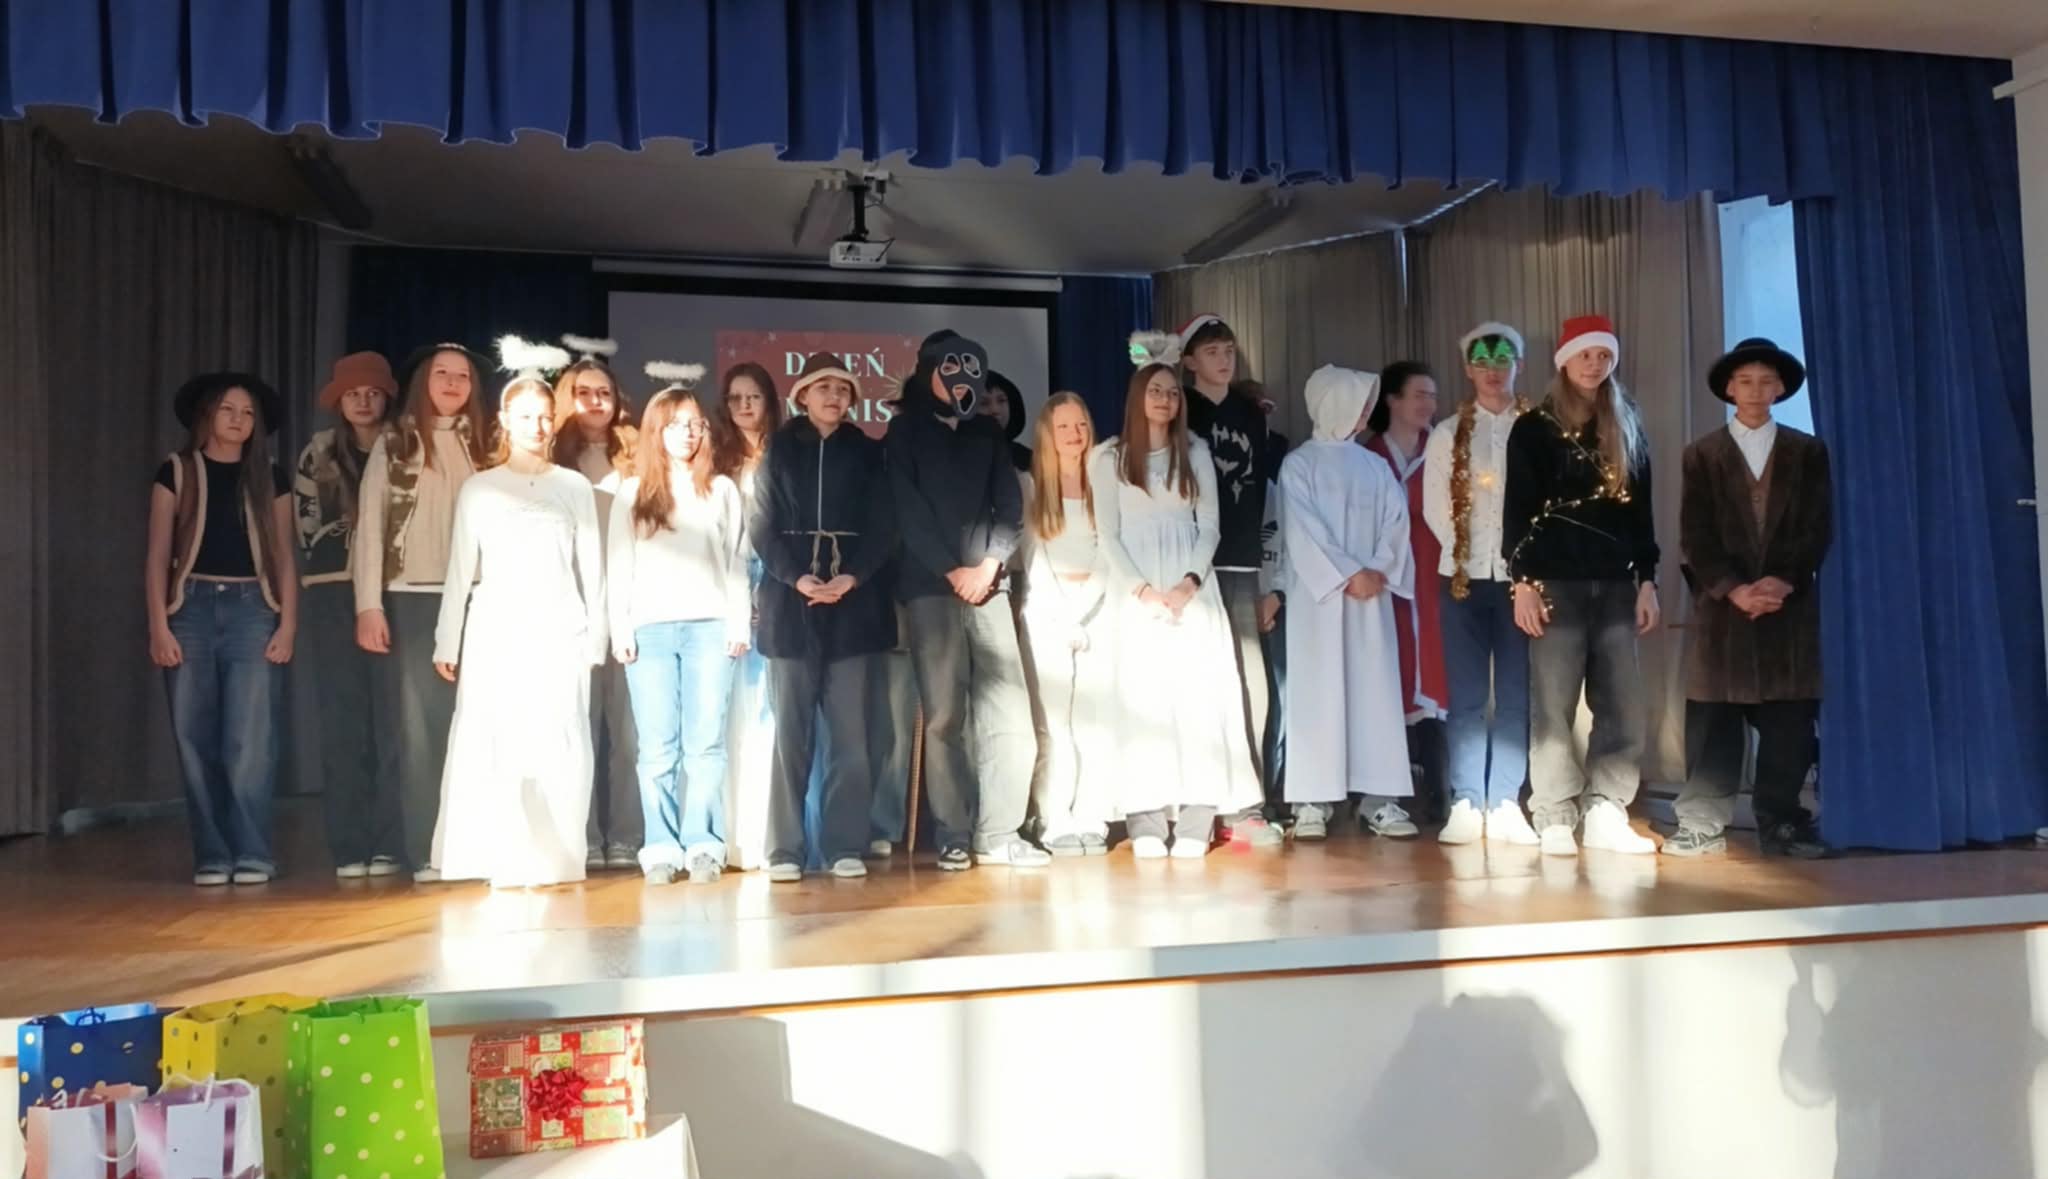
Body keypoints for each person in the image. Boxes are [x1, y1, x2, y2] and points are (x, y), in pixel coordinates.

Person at [427, 336, 606, 887]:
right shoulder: (481, 489)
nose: (536, 426)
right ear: (505, 420)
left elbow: (592, 569)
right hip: (497, 630)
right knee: (500, 741)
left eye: (544, 416)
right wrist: (447, 641)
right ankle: (503, 857)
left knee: (558, 739)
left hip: (559, 628)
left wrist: (595, 637)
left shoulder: (573, 486)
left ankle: (556, 858)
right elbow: (461, 570)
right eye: (524, 416)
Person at [885, 330, 1048, 870]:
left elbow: (1009, 506)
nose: (963, 381)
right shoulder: (904, 431)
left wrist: (990, 565)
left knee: (1010, 713)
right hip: (931, 590)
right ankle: (954, 832)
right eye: (950, 370)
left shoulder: (986, 433)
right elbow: (906, 510)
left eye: (971, 370)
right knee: (944, 717)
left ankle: (999, 831)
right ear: (928, 371)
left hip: (989, 588)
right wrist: (951, 570)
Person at [1091, 353, 1263, 858]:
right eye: (1156, 391)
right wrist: (1142, 590)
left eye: (1172, 392)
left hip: (1192, 589)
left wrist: (1189, 583)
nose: (1165, 400)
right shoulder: (1110, 458)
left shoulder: (1196, 451)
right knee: (1142, 700)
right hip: (1135, 594)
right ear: (1137, 398)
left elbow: (1209, 525)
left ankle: (1196, 820)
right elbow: (1108, 534)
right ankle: (1145, 818)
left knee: (1197, 700)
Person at [1504, 315, 1660, 856]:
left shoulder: (1627, 423)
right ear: (1565, 360)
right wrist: (1523, 582)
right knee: (1553, 705)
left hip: (1615, 584)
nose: (1595, 364)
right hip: (1554, 583)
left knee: (1621, 702)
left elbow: (1642, 513)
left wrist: (1647, 580)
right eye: (1585, 354)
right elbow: (1518, 512)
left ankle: (1606, 809)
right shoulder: (1535, 428)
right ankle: (1553, 812)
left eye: (1603, 356)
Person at [1668, 338, 1831, 859]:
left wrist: (1784, 580)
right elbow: (1694, 534)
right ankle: (1701, 824)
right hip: (1724, 609)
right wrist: (1734, 588)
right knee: (1715, 720)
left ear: (1780, 388)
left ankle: (1782, 821)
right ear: (1729, 389)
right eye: (1745, 381)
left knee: (1788, 722)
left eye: (1765, 381)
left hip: (1788, 607)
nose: (1755, 391)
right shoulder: (1702, 454)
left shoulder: (1807, 452)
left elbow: (1817, 526)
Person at [146, 373, 297, 886]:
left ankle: (253, 852)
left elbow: (284, 556)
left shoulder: (270, 477)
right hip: (189, 609)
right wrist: (159, 625)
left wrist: (287, 623)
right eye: (229, 409)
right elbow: (157, 555)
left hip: (253, 609)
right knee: (194, 736)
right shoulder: (176, 471)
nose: (239, 420)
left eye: (248, 413)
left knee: (249, 739)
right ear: (207, 414)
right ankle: (212, 853)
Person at [752, 354, 899, 881]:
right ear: (802, 396)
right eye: (823, 388)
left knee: (850, 736)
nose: (834, 396)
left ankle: (843, 845)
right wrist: (795, 577)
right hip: (790, 606)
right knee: (790, 736)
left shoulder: (867, 451)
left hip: (853, 607)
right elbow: (762, 524)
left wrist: (852, 576)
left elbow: (885, 525)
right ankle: (785, 850)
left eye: (842, 389)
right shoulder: (779, 449)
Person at [353, 342, 490, 879]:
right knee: (419, 731)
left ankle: (475, 843)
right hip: (412, 596)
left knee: (477, 724)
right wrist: (369, 605)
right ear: (423, 382)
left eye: (463, 376)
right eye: (442, 374)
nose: (453, 384)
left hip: (479, 598)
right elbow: (371, 527)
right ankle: (425, 848)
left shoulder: (488, 442)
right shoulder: (396, 441)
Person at [609, 364, 750, 885]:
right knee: (657, 749)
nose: (688, 433)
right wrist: (620, 629)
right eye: (676, 424)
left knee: (705, 745)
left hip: (710, 627)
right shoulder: (632, 493)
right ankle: (661, 848)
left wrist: (739, 622)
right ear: (656, 431)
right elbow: (618, 565)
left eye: (695, 424)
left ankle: (704, 845)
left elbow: (736, 560)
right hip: (650, 629)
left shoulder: (722, 490)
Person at [1275, 365, 1417, 841]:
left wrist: (1377, 569)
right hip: (1320, 604)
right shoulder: (1300, 465)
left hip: (1369, 599)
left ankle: (1379, 797)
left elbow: (1396, 523)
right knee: (1318, 694)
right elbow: (1302, 530)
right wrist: (1349, 573)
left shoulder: (1374, 466)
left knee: (1373, 694)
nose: (1364, 413)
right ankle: (1312, 800)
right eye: (1356, 403)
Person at [1422, 323, 1540, 846]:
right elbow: (1436, 507)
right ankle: (1467, 798)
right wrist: (1464, 555)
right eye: (1483, 362)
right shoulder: (1448, 433)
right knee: (1466, 695)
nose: (1493, 371)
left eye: (1503, 360)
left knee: (1515, 693)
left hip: (1521, 582)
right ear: (1468, 370)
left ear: (1519, 365)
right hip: (1463, 578)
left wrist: (1525, 566)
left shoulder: (1536, 428)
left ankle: (1506, 799)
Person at [294, 351, 402, 878]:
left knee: (392, 722)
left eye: (372, 393)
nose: (362, 401)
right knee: (343, 721)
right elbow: (307, 528)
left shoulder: (403, 446)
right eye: (353, 394)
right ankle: (349, 844)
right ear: (339, 401)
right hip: (334, 593)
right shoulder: (318, 452)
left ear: (387, 398)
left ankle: (390, 841)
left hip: (393, 591)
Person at [1176, 314, 1283, 847]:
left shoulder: (1250, 414)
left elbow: (1262, 494)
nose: (1223, 360)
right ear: (1189, 361)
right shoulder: (1180, 409)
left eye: (1228, 350)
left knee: (1250, 685)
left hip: (1241, 563)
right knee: (1199, 684)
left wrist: (1269, 579)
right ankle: (1194, 800)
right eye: (1212, 352)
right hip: (1193, 566)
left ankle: (1247, 800)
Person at [553, 335, 642, 872]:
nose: (595, 401)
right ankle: (581, 835)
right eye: (583, 392)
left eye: (604, 392)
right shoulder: (549, 458)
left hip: (629, 607)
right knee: (577, 729)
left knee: (628, 735)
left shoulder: (637, 457)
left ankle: (626, 835)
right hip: (571, 610)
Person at [1019, 392, 1113, 855]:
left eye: (1081, 425)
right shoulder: (1031, 487)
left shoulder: (1105, 486)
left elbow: (1110, 552)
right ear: (1048, 435)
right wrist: (1064, 616)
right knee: (1054, 724)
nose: (1075, 435)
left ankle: (1091, 812)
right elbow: (1033, 560)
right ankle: (1053, 816)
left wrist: (1086, 609)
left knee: (1093, 720)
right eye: (1064, 427)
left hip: (1098, 612)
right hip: (1047, 615)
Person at [1365, 361, 1450, 826]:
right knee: (1388, 674)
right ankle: (1385, 789)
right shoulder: (1367, 456)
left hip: (1435, 578)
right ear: (1392, 400)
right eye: (1419, 394)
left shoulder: (1444, 451)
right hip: (1384, 585)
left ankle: (1442, 785)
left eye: (1432, 396)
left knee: (1436, 675)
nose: (1428, 405)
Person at [709, 361, 785, 870]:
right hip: (729, 587)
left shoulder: (789, 453)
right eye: (735, 398)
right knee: (734, 714)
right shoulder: (716, 458)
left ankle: (774, 835)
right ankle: (735, 837)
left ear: (769, 401)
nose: (743, 406)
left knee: (775, 713)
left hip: (781, 585)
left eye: (752, 396)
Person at [981, 370, 1033, 472]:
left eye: (1001, 400)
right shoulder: (953, 457)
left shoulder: (1028, 459)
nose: (995, 410)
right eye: (983, 403)